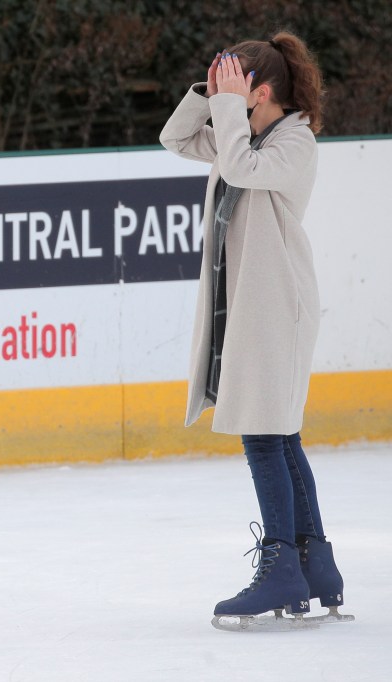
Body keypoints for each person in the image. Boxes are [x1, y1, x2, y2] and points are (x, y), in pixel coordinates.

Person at [159, 32, 350, 628]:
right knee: (281, 437)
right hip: (252, 306)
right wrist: (207, 92)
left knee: (263, 436)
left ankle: (282, 566)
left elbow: (241, 166)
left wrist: (227, 110)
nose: (224, 100)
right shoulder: (242, 131)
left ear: (260, 92)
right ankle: (314, 565)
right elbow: (176, 137)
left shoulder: (294, 140)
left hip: (278, 307)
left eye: (235, 88)